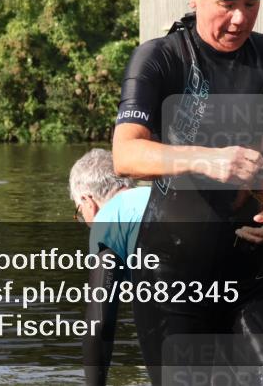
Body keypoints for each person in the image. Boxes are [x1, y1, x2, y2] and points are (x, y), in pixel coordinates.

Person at [112, 0, 263, 385]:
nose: (240, 18)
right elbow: (125, 152)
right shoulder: (159, 59)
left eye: (250, 4)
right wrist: (205, 159)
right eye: (227, 5)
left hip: (253, 273)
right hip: (171, 279)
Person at [69, 148, 150, 386]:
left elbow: (99, 322)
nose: (83, 219)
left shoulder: (109, 219)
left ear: (87, 200)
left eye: (78, 211)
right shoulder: (157, 194)